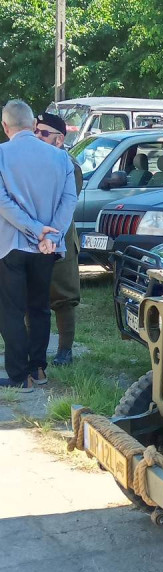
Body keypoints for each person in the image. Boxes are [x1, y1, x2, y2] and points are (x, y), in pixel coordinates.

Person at [0, 100, 77, 391]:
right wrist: (51, 236)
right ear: (33, 126)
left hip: (10, 245)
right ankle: (39, 369)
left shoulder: (1, 154)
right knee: (40, 308)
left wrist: (33, 229)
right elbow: (68, 201)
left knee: (11, 310)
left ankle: (20, 376)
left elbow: (3, 203)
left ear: (5, 127)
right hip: (47, 247)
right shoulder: (61, 159)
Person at [34, 112, 83, 368]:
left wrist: (48, 234)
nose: (37, 137)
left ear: (60, 139)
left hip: (60, 237)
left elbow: (65, 206)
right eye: (35, 132)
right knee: (32, 295)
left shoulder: (70, 165)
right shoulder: (30, 161)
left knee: (63, 297)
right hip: (33, 237)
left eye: (44, 133)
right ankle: (35, 350)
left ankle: (65, 350)